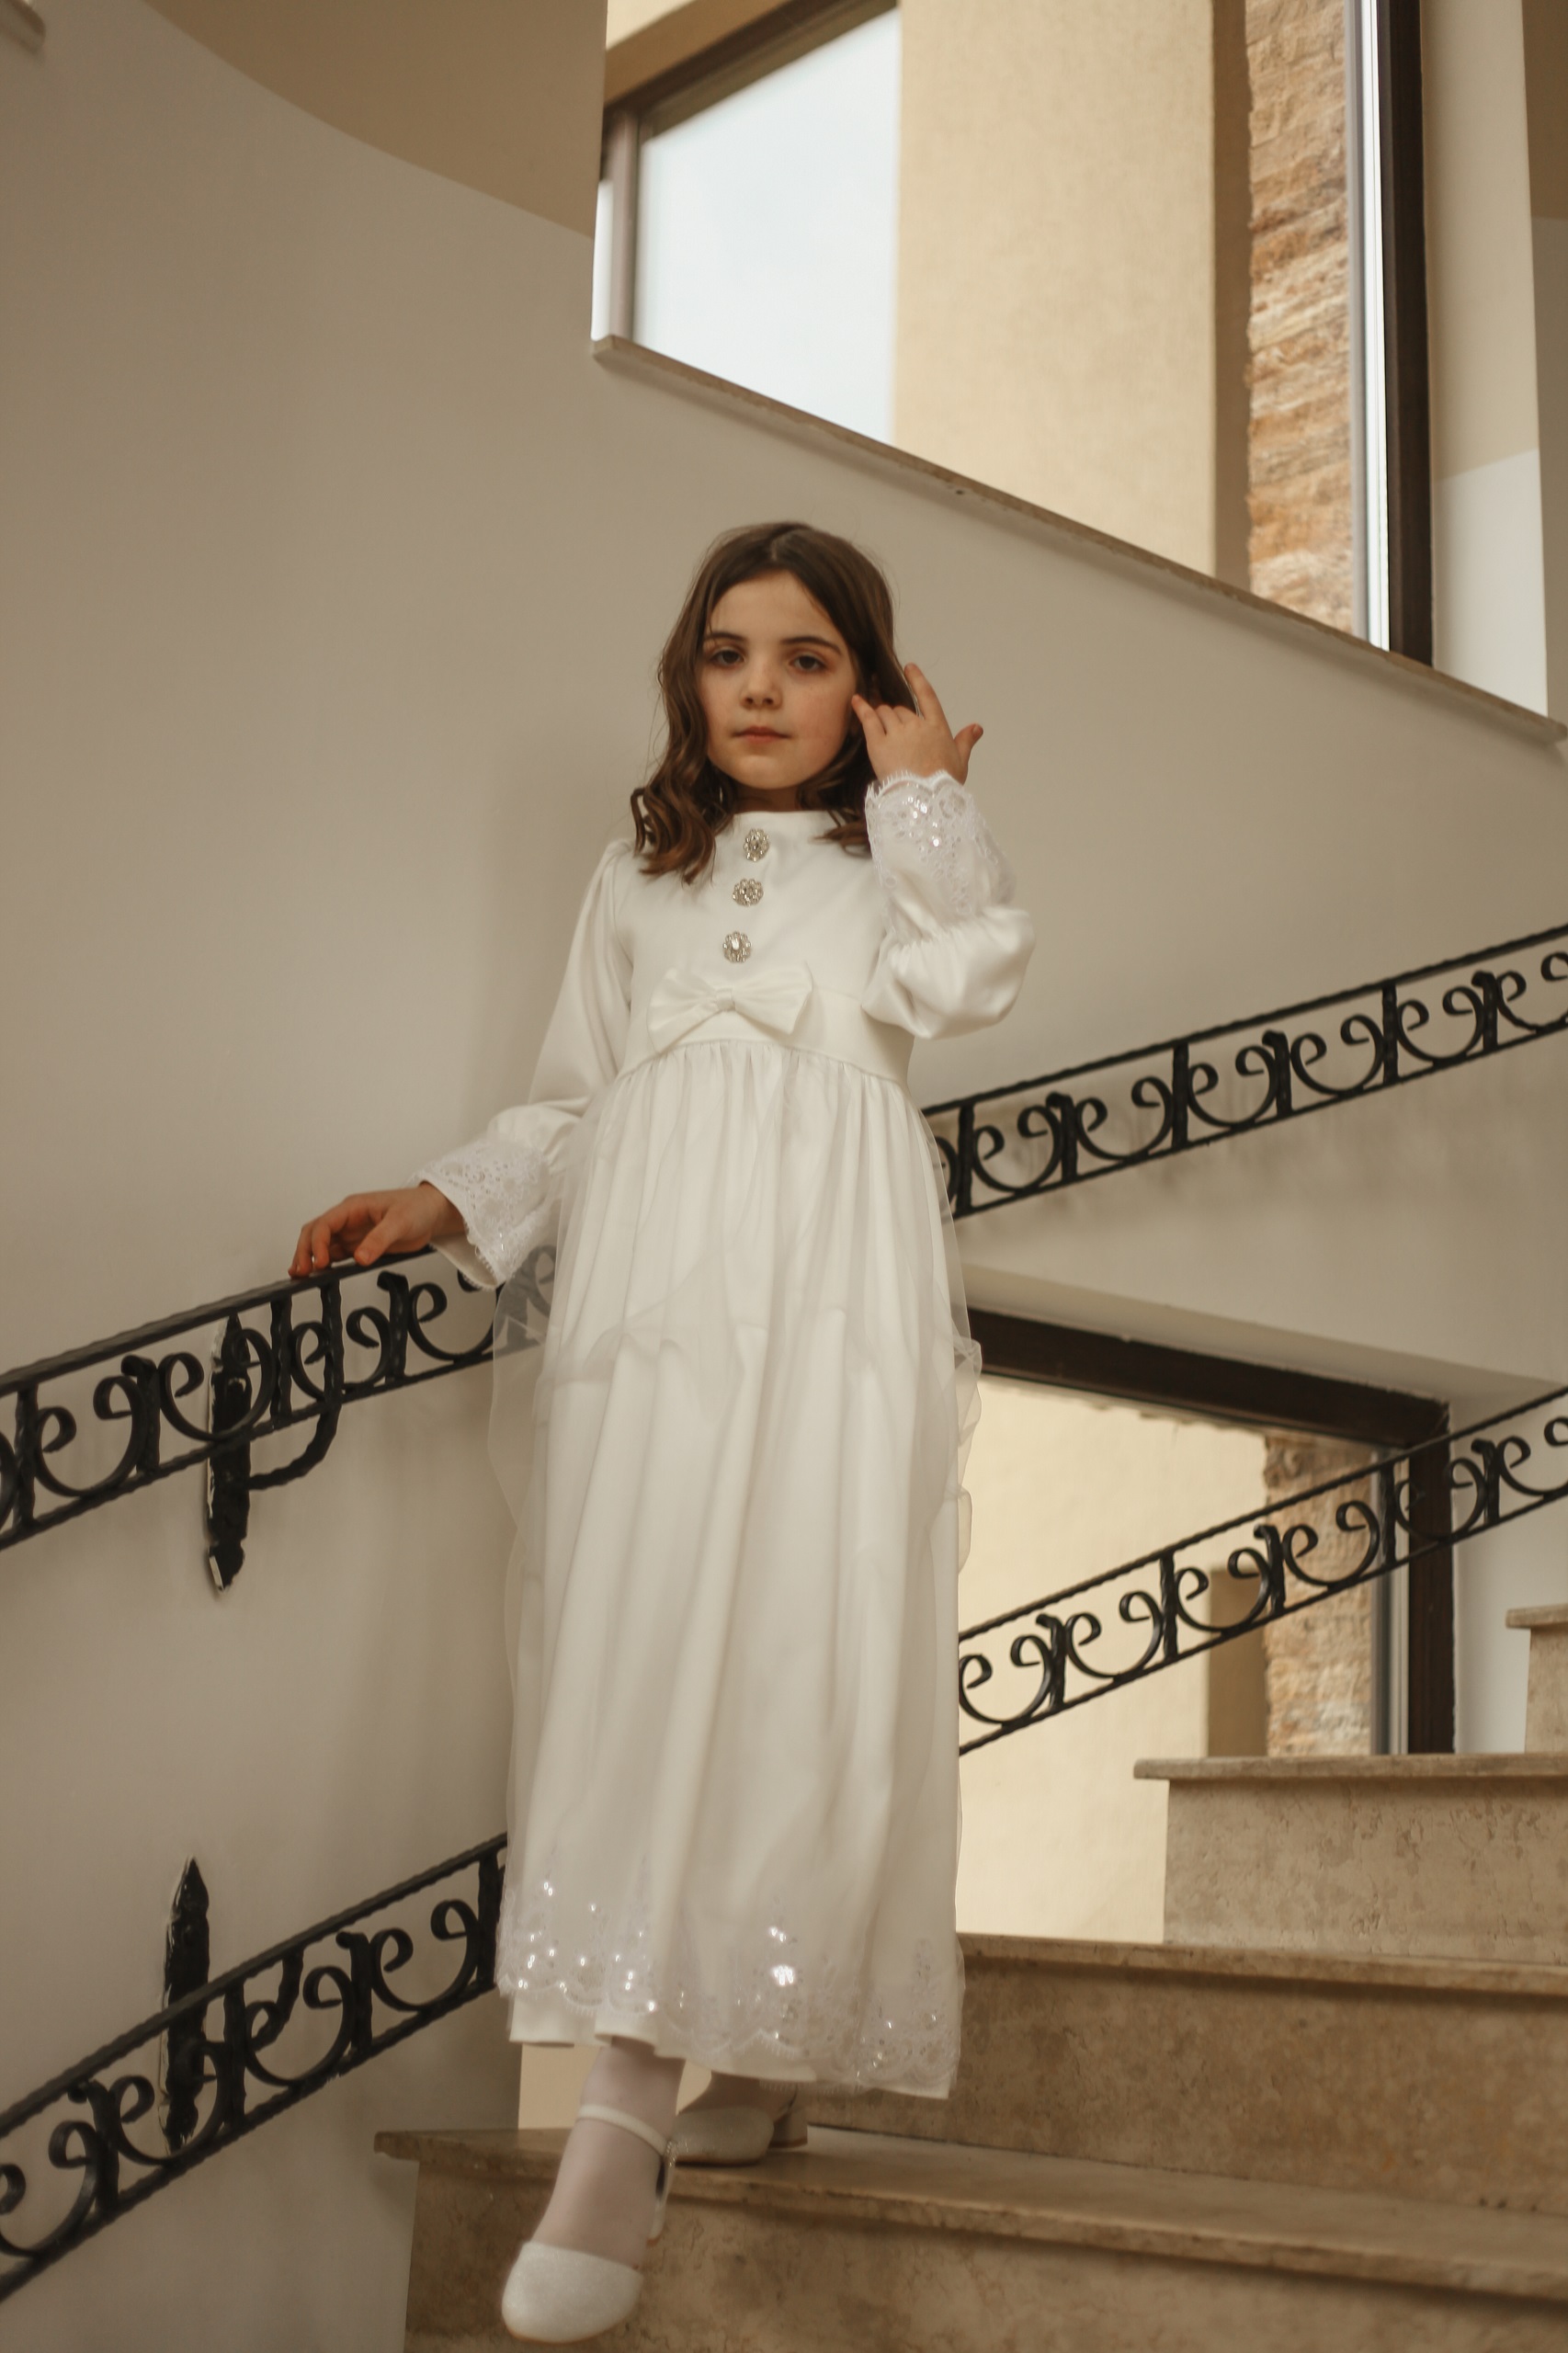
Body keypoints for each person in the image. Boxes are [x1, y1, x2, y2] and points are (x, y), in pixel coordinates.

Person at [290, 521, 1033, 2344]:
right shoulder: (636, 872)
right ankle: (665, 2070)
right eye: (726, 654)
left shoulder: (897, 855)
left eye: (804, 658)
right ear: (686, 677)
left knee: (796, 1647)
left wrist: (926, 800)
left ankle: (669, 2102)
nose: (759, 690)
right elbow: (572, 1099)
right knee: (642, 1651)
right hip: (649, 1303)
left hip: (830, 1294)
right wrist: (446, 1197)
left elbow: (973, 979)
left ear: (867, 685)